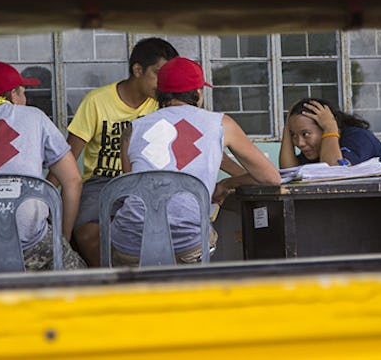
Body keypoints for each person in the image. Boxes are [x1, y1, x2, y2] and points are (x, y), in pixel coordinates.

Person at [110, 57, 281, 266]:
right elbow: (271, 178)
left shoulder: (133, 130)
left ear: (160, 92)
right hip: (187, 244)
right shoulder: (220, 124)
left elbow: (131, 188)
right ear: (198, 93)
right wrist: (226, 184)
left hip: (130, 243)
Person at [0, 61, 86, 274]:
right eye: (23, 93)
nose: (25, 99)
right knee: (83, 277)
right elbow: (73, 181)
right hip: (30, 248)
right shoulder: (35, 117)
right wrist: (61, 239)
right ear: (12, 95)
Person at [65, 37, 179, 266]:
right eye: (158, 74)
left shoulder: (165, 104)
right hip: (101, 182)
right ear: (138, 69)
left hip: (149, 181)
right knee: (87, 233)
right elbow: (67, 156)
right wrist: (45, 191)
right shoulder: (97, 101)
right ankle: (112, 284)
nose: (163, 83)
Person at [279, 97, 381, 169]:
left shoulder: (359, 138)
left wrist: (330, 127)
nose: (300, 143)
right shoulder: (314, 151)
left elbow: (333, 169)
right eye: (293, 135)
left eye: (305, 134)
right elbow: (288, 171)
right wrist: (287, 126)